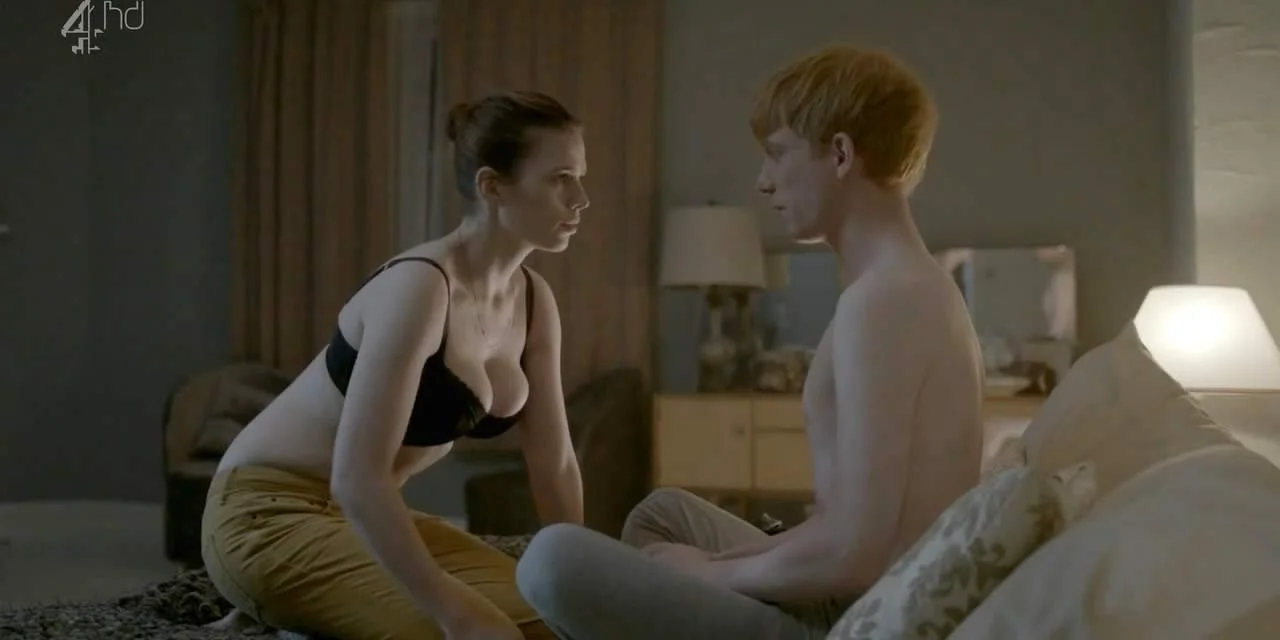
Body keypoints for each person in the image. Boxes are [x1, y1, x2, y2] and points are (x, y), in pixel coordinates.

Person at [515, 45, 985, 639]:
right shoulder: (899, 286)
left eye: (777, 153)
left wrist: (708, 575)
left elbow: (856, 553)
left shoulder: (887, 301)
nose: (764, 181)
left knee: (551, 558)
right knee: (662, 515)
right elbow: (849, 524)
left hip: (853, 619)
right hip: (845, 587)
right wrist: (713, 562)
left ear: (840, 154)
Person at [201, 90, 589, 640]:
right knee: (477, 632)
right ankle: (276, 597)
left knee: (561, 623)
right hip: (267, 513)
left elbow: (556, 464)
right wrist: (457, 614)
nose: (581, 199)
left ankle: (304, 609)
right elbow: (357, 478)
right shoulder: (420, 287)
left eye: (580, 178)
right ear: (492, 186)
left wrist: (579, 583)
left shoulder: (534, 300)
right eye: (560, 179)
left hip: (351, 520)